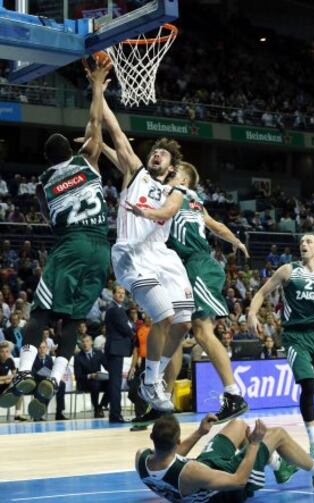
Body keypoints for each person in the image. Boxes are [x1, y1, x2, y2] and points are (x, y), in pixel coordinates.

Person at [0, 59, 112, 420]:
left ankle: (27, 371)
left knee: (42, 312)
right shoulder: (89, 161)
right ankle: (56, 377)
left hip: (74, 243)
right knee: (73, 319)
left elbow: (53, 221)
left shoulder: (43, 184)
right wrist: (97, 86)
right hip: (101, 248)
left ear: (48, 159)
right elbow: (95, 125)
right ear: (74, 149)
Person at [128, 161, 249, 422]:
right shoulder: (195, 202)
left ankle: (233, 395)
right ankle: (162, 402)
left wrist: (142, 212)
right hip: (184, 268)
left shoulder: (180, 196)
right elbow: (216, 226)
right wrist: (236, 240)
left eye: (176, 172)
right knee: (175, 328)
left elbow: (161, 210)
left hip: (198, 264)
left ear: (185, 180)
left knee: (202, 331)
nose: (171, 173)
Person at [96, 98, 195, 413]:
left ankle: (150, 376)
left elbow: (165, 210)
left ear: (171, 169)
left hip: (162, 256)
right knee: (163, 317)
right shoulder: (137, 174)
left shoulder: (175, 192)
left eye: (164, 154)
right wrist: (98, 92)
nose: (157, 154)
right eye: (155, 150)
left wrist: (149, 211)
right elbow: (117, 135)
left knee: (182, 324)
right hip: (133, 253)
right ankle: (152, 381)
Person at [248, 234, 314, 461]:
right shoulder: (288, 270)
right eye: (302, 241)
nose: (304, 244)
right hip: (294, 336)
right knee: (308, 384)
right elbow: (262, 293)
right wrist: (252, 313)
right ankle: (313, 443)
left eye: (309, 241)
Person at [136, 413, 314, 502]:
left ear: (152, 438)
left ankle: (279, 466)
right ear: (177, 440)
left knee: (237, 425)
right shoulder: (190, 472)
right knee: (277, 434)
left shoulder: (142, 459)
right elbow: (238, 481)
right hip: (224, 492)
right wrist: (254, 443)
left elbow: (171, 456)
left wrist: (200, 432)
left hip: (203, 473)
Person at [104, 285, 134, 423]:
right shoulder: (115, 310)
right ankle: (115, 415)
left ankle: (114, 414)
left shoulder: (117, 309)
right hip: (115, 349)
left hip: (116, 349)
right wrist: (133, 332)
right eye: (119, 293)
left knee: (115, 383)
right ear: (113, 294)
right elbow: (125, 328)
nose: (121, 295)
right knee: (115, 384)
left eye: (123, 293)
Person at [74, 335, 109, 418]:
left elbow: (107, 366)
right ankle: (97, 409)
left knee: (112, 383)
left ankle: (100, 406)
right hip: (85, 382)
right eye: (83, 342)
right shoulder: (78, 357)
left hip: (98, 379)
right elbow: (78, 376)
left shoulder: (98, 353)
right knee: (95, 384)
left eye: (87, 341)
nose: (85, 344)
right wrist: (90, 376)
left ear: (91, 342)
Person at [31, 341, 67, 421]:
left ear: (47, 349)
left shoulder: (49, 358)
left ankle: (59, 413)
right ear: (37, 349)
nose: (42, 350)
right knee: (45, 388)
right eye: (40, 348)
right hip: (38, 382)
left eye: (44, 347)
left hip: (48, 381)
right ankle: (38, 414)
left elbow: (52, 372)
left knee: (61, 384)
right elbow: (33, 373)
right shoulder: (33, 358)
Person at [0, 341, 26, 421]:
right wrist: (7, 378)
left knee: (20, 389)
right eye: (2, 352)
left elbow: (15, 375)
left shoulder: (10, 361)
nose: (5, 354)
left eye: (7, 352)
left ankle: (17, 415)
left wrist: (10, 379)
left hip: (6, 387)